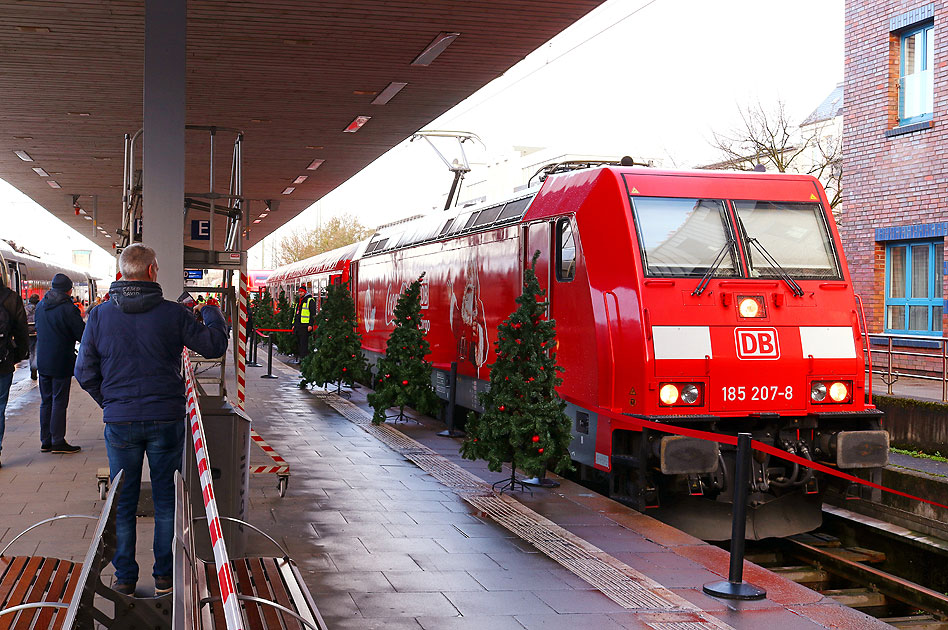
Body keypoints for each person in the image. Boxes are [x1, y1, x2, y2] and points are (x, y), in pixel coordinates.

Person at [75, 243, 228, 597]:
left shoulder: (98, 316)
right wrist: (212, 312)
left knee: (123, 502)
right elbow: (214, 345)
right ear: (152, 272)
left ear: (121, 274)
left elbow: (84, 372)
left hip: (121, 423)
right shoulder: (173, 314)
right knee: (164, 500)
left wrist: (110, 403)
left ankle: (125, 579)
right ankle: (164, 578)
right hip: (165, 420)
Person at [34, 273, 84, 454]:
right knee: (59, 401)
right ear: (68, 290)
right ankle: (57, 441)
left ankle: (45, 440)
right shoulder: (68, 308)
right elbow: (82, 334)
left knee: (46, 400)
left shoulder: (41, 305)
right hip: (61, 360)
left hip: (43, 361)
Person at [0, 277, 29, 468]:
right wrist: (17, 356)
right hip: (2, 362)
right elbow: (21, 331)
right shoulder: (11, 298)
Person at [292, 285, 316, 363]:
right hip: (298, 325)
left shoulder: (310, 300)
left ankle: (303, 359)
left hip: (305, 326)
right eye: (299, 292)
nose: (300, 293)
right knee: (299, 343)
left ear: (305, 292)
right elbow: (296, 314)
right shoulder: (299, 301)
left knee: (304, 343)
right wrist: (294, 324)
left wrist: (310, 324)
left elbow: (313, 313)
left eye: (301, 292)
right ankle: (300, 358)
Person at [24, 294, 39, 380]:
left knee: (31, 352)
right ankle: (35, 366)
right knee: (37, 350)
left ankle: (32, 369)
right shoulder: (39, 308)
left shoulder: (25, 309)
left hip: (29, 333)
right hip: (38, 332)